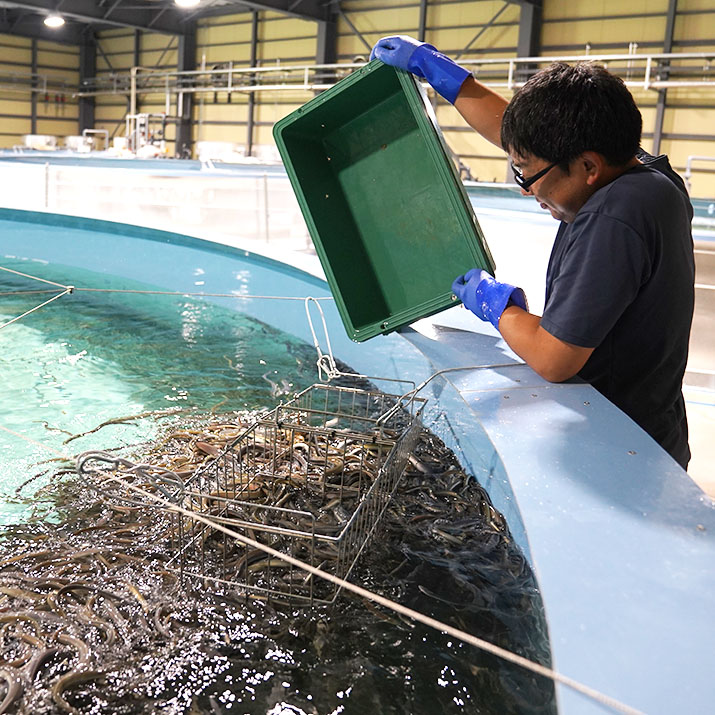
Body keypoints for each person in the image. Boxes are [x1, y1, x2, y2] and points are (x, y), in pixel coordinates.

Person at [371, 36, 695, 469]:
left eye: (528, 176)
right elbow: (537, 141)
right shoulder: (643, 174)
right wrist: (447, 79)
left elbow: (553, 357)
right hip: (656, 427)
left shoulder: (614, 216)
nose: (527, 190)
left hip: (619, 445)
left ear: (588, 167)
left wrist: (498, 305)